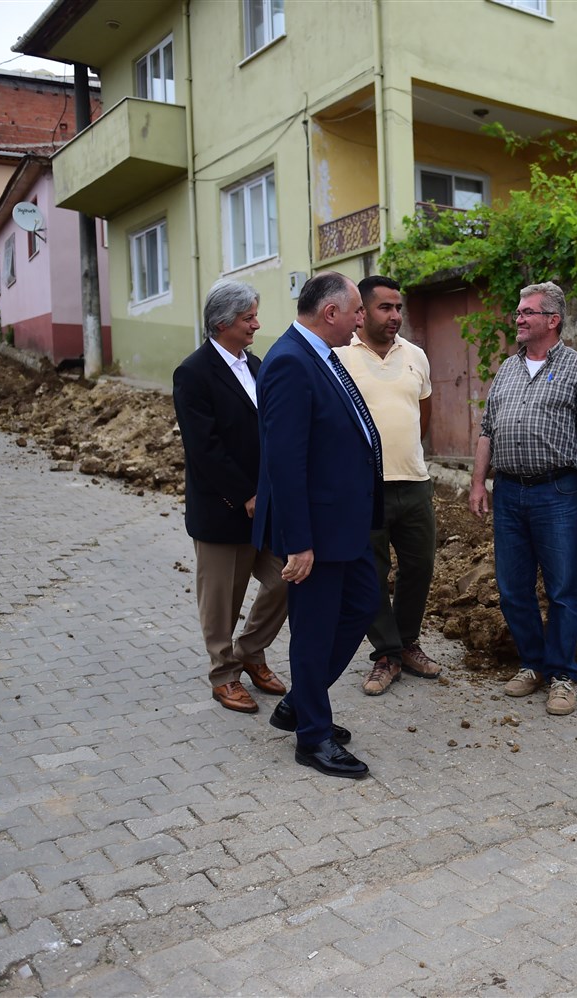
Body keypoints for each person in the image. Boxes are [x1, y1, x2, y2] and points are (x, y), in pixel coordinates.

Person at [253, 272, 383, 779]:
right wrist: (299, 544)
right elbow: (285, 463)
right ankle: (313, 738)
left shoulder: (320, 356)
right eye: (356, 311)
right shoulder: (290, 362)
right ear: (330, 313)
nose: (361, 320)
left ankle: (300, 704)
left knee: (362, 603)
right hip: (315, 534)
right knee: (313, 630)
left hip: (342, 526)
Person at [469, 281, 577, 716]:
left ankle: (563, 675)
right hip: (509, 491)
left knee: (563, 588)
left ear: (553, 319)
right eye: (518, 311)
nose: (519, 318)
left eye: (528, 311)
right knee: (512, 587)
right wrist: (478, 483)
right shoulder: (507, 370)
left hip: (557, 490)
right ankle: (531, 664)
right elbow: (487, 430)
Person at [171, 279, 288, 714]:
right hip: (224, 508)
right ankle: (224, 675)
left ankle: (251, 652)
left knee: (286, 579)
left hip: (267, 504)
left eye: (254, 316)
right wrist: (244, 494)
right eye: (248, 318)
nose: (256, 324)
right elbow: (204, 447)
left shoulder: (255, 365)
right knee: (223, 598)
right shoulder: (193, 372)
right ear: (222, 324)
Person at [337, 275, 442, 695]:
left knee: (419, 566)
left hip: (414, 483)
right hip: (364, 488)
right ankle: (386, 653)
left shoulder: (416, 355)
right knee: (371, 574)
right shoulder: (340, 356)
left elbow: (424, 414)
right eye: (385, 308)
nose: (395, 316)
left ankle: (408, 642)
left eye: (398, 308)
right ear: (361, 312)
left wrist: (405, 453)